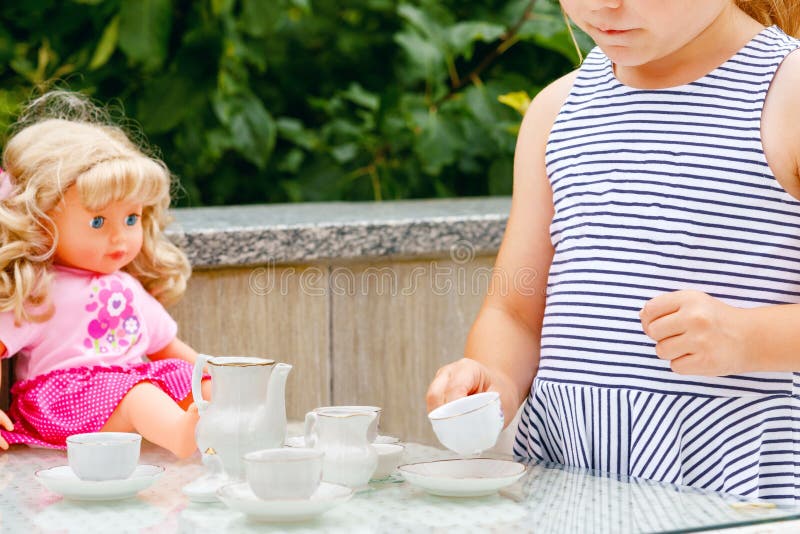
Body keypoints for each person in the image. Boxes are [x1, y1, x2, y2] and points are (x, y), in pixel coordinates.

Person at [427, 0, 800, 503]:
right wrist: (492, 381)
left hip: (740, 488)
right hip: (571, 480)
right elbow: (515, 315)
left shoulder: (786, 92)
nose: (604, 4)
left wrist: (751, 338)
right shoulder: (557, 112)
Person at [0, 91, 210, 458]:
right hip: (60, 402)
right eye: (98, 221)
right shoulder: (37, 288)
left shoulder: (127, 287)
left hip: (123, 387)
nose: (120, 237)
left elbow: (169, 349)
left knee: (198, 383)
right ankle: (179, 434)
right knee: (139, 396)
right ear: (42, 221)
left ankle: (224, 426)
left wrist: (216, 377)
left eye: (132, 219)